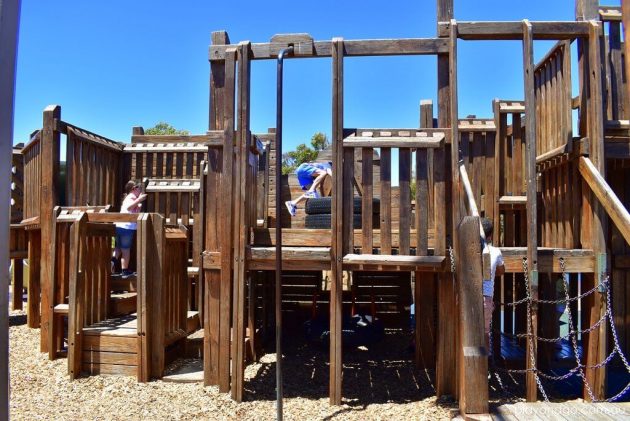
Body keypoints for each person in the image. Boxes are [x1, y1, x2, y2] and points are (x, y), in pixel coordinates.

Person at [112, 180, 147, 277]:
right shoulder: (131, 197)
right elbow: (128, 208)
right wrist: (139, 200)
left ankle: (113, 261)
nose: (140, 191)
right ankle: (125, 270)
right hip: (126, 227)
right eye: (139, 189)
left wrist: (138, 205)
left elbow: (133, 211)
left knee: (118, 248)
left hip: (120, 226)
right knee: (126, 250)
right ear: (134, 189)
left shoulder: (130, 198)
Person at [481, 217, 504, 354]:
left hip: (470, 296)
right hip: (486, 296)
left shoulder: (470, 250)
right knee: (484, 332)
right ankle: (483, 368)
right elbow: (501, 271)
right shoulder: (495, 252)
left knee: (468, 332)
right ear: (490, 236)